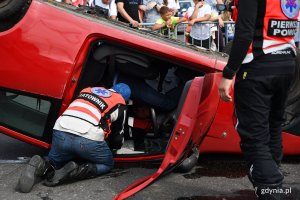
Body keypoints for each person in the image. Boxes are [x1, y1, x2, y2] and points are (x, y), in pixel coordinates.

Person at [218, 0, 298, 199]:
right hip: (287, 63)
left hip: (258, 65)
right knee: (273, 128)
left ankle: (271, 189)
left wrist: (228, 74)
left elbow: (244, 32)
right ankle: (273, 178)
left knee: (255, 136)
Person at [17, 83, 131, 193]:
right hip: (87, 137)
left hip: (61, 130)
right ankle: (75, 171)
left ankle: (40, 164)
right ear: (125, 99)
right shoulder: (120, 103)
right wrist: (113, 148)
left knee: (54, 161)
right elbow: (117, 137)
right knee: (107, 164)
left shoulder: (87, 90)